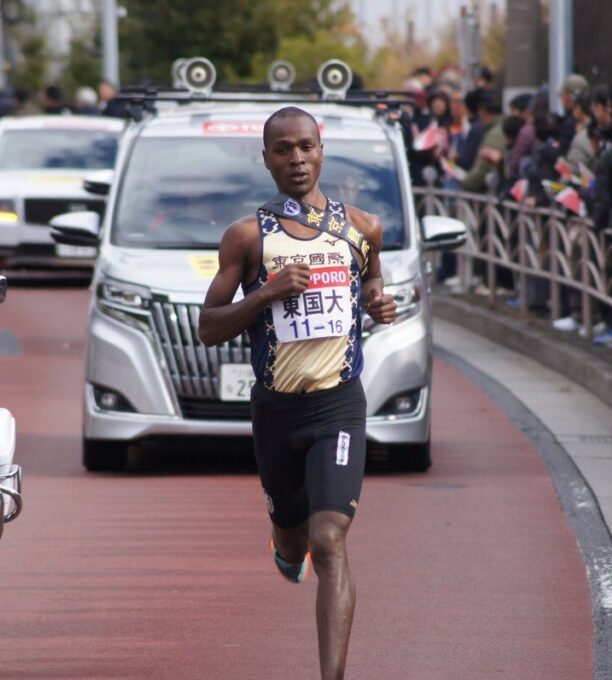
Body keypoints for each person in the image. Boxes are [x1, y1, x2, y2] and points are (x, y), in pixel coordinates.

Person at [197, 107, 397, 680]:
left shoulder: (362, 228)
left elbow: (372, 279)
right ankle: (285, 544)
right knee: (293, 536)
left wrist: (377, 303)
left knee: (329, 539)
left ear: (321, 150)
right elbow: (208, 327)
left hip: (338, 406)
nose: (297, 159)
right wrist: (265, 294)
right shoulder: (247, 237)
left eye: (306, 146)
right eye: (283, 150)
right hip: (277, 411)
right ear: (266, 159)